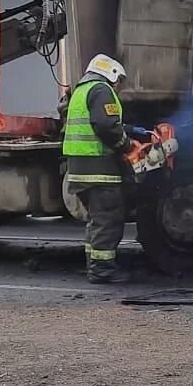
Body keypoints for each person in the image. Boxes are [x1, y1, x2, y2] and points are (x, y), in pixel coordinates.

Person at [62, 54, 149, 284]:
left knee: (96, 220)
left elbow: (102, 121)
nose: (119, 87)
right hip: (99, 168)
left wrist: (132, 129)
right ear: (112, 74)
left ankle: (94, 265)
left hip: (79, 168)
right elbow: (105, 125)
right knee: (108, 220)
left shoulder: (82, 90)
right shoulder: (101, 90)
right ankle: (102, 271)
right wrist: (127, 145)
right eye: (119, 81)